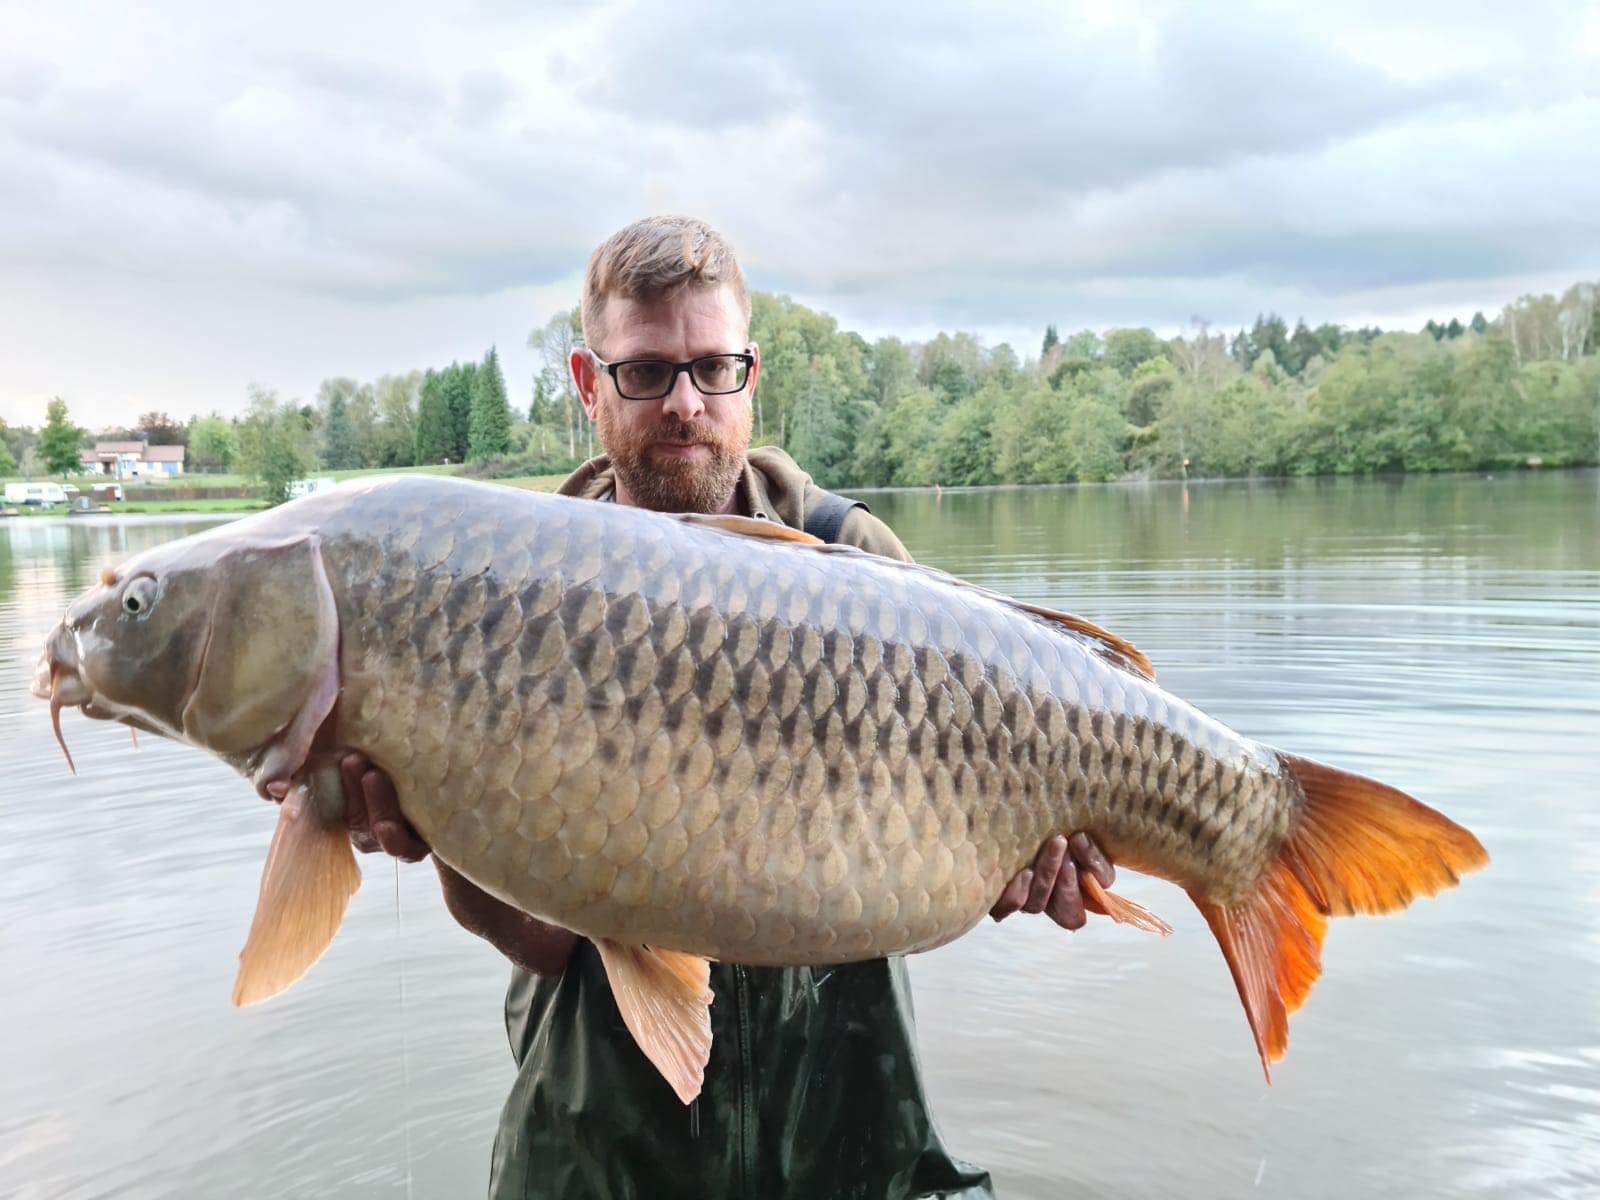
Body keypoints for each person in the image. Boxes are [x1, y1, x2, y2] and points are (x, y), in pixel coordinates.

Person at [340, 216, 1118, 1198]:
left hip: (845, 1121)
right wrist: (439, 825)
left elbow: (921, 895)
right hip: (600, 1139)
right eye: (645, 372)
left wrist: (1010, 864)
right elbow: (540, 940)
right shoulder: (515, 592)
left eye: (713, 368)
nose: (684, 403)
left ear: (751, 375)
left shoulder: (856, 563)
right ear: (588, 383)